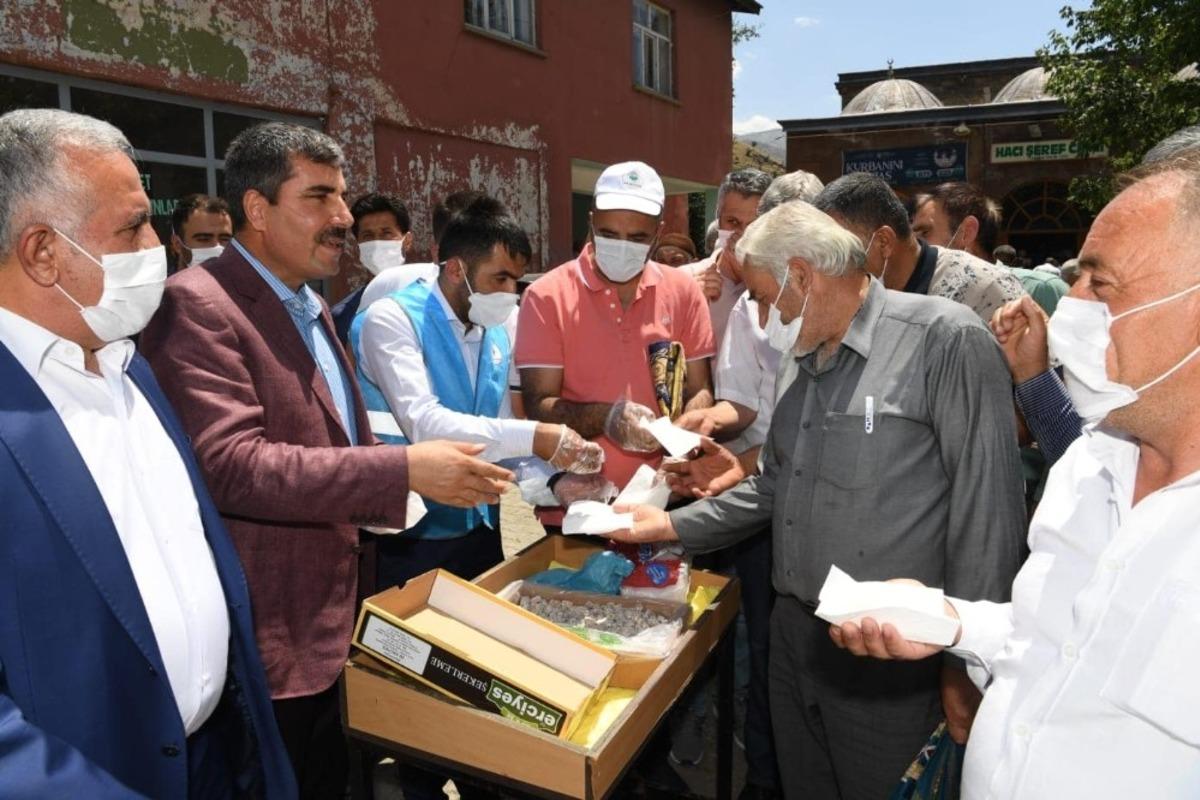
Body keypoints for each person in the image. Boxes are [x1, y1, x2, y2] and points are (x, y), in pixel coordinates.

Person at [140, 121, 512, 797]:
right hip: (271, 642)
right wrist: (401, 471)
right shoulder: (198, 307)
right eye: (319, 198)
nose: (342, 218)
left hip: (335, 627)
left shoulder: (307, 302)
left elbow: (331, 436)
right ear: (257, 209)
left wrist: (397, 480)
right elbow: (231, 464)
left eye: (341, 197)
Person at [610, 199, 1026, 800]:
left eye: (758, 296)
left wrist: (966, 665)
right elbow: (775, 484)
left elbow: (987, 512)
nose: (756, 313)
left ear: (801, 277)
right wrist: (668, 527)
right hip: (796, 639)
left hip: (889, 659)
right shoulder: (801, 356)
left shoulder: (943, 340)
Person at [829, 149, 1200, 800]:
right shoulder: (1091, 464)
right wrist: (953, 622)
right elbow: (1054, 642)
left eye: (1101, 284)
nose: (1068, 307)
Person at [0, 108, 295, 798]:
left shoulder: (128, 362)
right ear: (43, 251)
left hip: (218, 760)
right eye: (132, 225)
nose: (157, 244)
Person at [516, 160, 715, 528]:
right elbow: (537, 404)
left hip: (666, 501)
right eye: (608, 233)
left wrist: (686, 438)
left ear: (658, 233)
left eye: (638, 238)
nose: (622, 247)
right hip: (578, 505)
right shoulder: (546, 296)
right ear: (590, 222)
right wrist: (607, 418)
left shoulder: (683, 292)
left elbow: (699, 387)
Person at [814, 173, 1024, 324]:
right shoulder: (859, 300)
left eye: (839, 249)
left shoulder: (986, 288)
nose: (831, 264)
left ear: (884, 242)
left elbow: (1032, 376)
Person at [690, 168, 774, 349]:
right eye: (733, 222)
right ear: (718, 219)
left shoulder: (782, 288)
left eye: (754, 224)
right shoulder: (686, 281)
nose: (742, 234)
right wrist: (688, 302)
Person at [331, 191, 426, 344]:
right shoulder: (343, 316)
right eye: (367, 236)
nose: (377, 243)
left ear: (407, 241)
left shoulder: (434, 300)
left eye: (386, 233)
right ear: (358, 247)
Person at [911, 182, 1002, 262]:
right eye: (912, 235)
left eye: (924, 233)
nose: (912, 243)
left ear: (967, 232)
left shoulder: (1004, 280)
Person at [168, 192, 232, 271]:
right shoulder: (162, 283)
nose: (217, 247)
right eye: (204, 239)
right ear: (177, 244)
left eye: (225, 239)